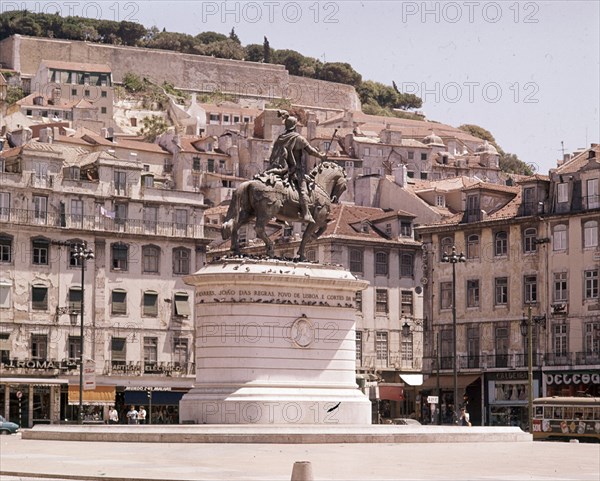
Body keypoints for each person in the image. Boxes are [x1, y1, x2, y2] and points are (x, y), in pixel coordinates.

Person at [267, 110, 327, 223]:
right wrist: (321, 156)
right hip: (294, 170)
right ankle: (306, 213)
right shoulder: (297, 138)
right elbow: (310, 151)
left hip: (280, 170)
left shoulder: (280, 138)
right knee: (302, 190)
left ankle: (282, 214)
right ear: (294, 126)